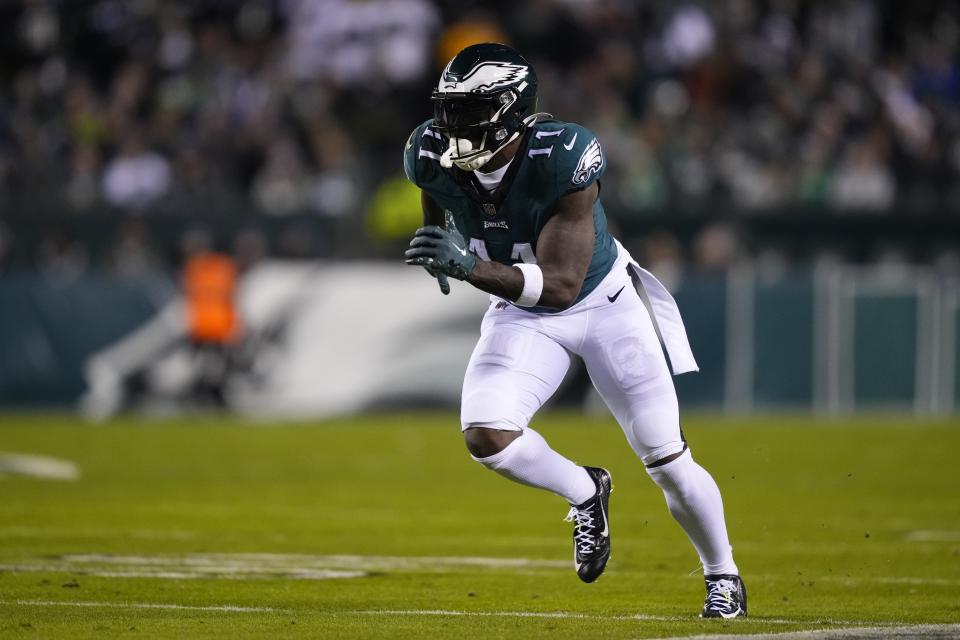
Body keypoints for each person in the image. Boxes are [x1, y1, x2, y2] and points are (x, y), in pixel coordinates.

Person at [403, 43, 747, 618]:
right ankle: (586, 490)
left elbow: (561, 285)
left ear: (511, 110)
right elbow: (434, 192)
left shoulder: (562, 155)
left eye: (467, 112)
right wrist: (435, 240)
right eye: (448, 110)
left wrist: (467, 264)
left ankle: (723, 574)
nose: (450, 127)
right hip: (520, 314)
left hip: (602, 305)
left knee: (667, 459)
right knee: (486, 435)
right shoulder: (429, 151)